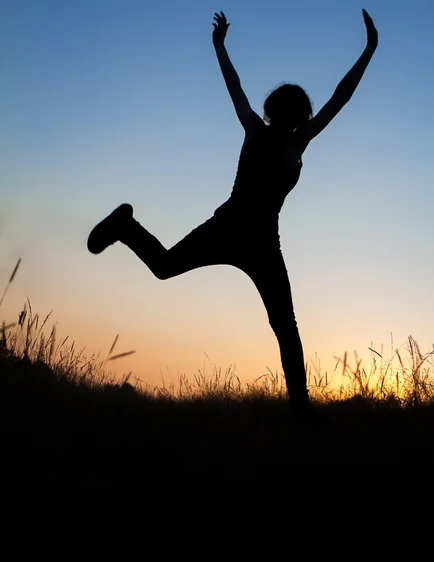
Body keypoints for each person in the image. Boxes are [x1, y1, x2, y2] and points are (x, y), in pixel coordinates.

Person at [87, 9, 378, 417]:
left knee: (166, 267)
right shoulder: (297, 143)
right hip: (256, 240)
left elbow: (237, 88)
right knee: (286, 328)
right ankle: (301, 413)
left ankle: (125, 225)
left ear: (273, 110)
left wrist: (220, 47)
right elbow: (339, 98)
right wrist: (368, 50)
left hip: (232, 229)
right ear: (301, 116)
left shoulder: (255, 130)